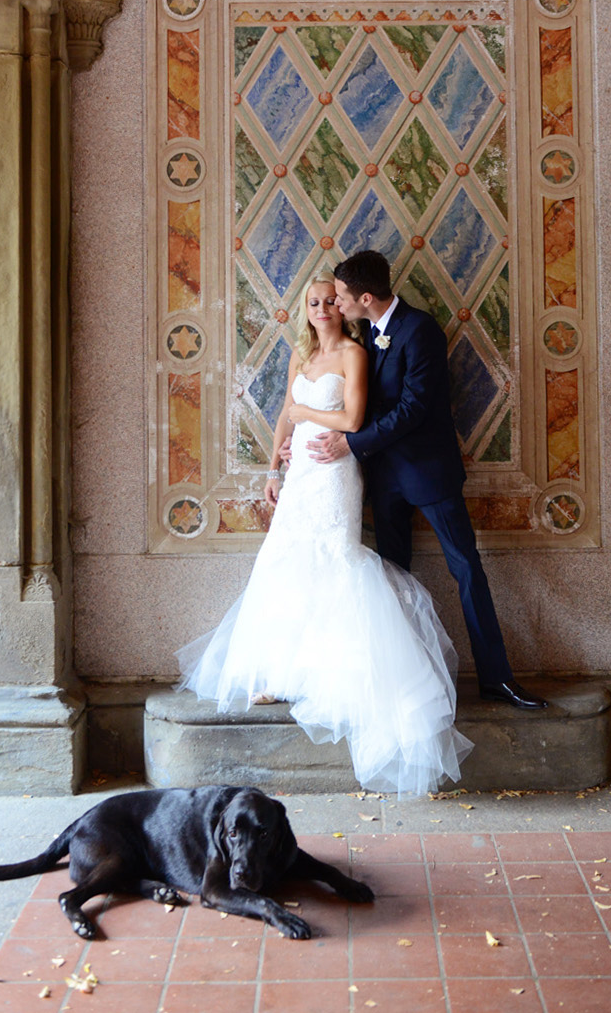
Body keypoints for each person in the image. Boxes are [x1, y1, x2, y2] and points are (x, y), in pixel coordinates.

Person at [176, 273, 473, 798]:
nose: (321, 309)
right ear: (305, 309)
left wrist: (305, 413)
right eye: (312, 302)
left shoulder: (355, 355)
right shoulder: (301, 357)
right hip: (301, 476)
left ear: (342, 305)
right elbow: (282, 419)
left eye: (329, 301)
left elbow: (353, 417)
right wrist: (273, 468)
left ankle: (334, 674)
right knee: (286, 561)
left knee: (335, 557)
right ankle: (283, 670)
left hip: (336, 470)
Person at [306, 249, 547, 712]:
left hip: (428, 473)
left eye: (340, 297)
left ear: (367, 297)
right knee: (392, 577)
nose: (335, 304)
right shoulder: (364, 333)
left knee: (466, 569)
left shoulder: (421, 330)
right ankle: (405, 681)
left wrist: (353, 445)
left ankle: (497, 678)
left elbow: (414, 409)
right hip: (383, 476)